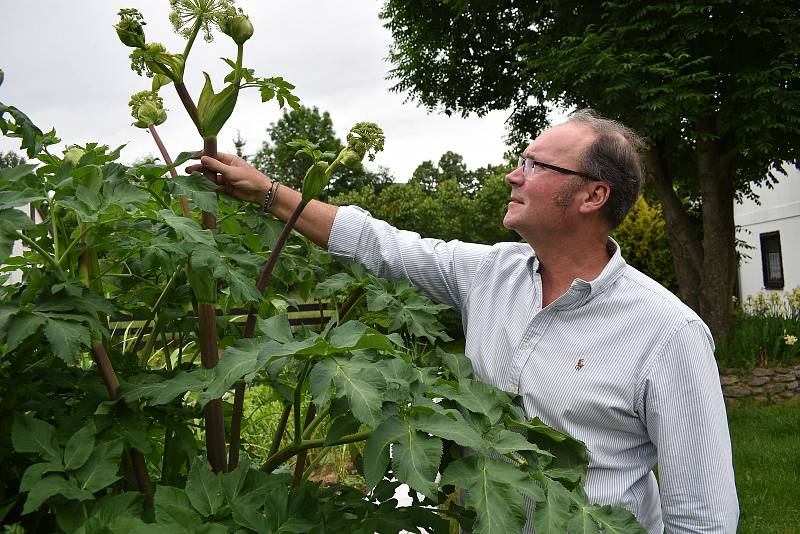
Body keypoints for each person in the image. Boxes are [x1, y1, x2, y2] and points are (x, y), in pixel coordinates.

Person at [187, 109, 738, 533]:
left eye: (534, 166)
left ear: (594, 195)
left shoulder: (668, 334)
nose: (511, 176)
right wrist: (268, 192)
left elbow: (703, 519)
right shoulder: (489, 274)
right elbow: (382, 245)